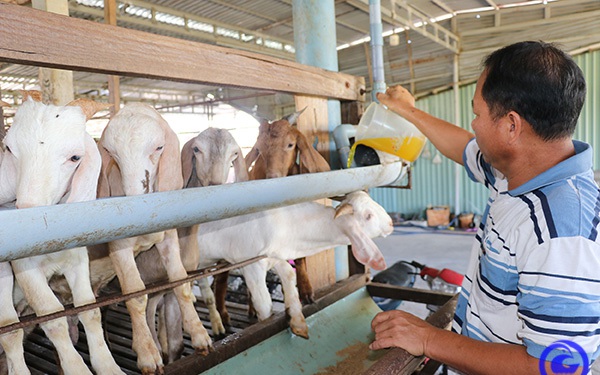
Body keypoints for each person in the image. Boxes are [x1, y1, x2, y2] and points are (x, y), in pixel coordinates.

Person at [369, 41, 600, 374]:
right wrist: (407, 110)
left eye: (477, 113)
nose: (474, 125)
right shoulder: (517, 171)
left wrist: (429, 339)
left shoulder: (562, 233)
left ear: (511, 126)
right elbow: (463, 147)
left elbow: (557, 368)